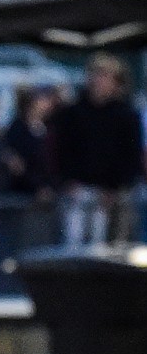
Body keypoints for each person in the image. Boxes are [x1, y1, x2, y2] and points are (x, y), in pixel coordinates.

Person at [50, 52, 144, 247]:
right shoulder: (72, 113)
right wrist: (67, 180)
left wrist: (115, 187)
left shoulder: (126, 115)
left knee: (107, 247)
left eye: (104, 76)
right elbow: (61, 149)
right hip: (77, 190)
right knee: (72, 243)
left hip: (112, 195)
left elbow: (130, 155)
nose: (98, 81)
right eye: (95, 74)